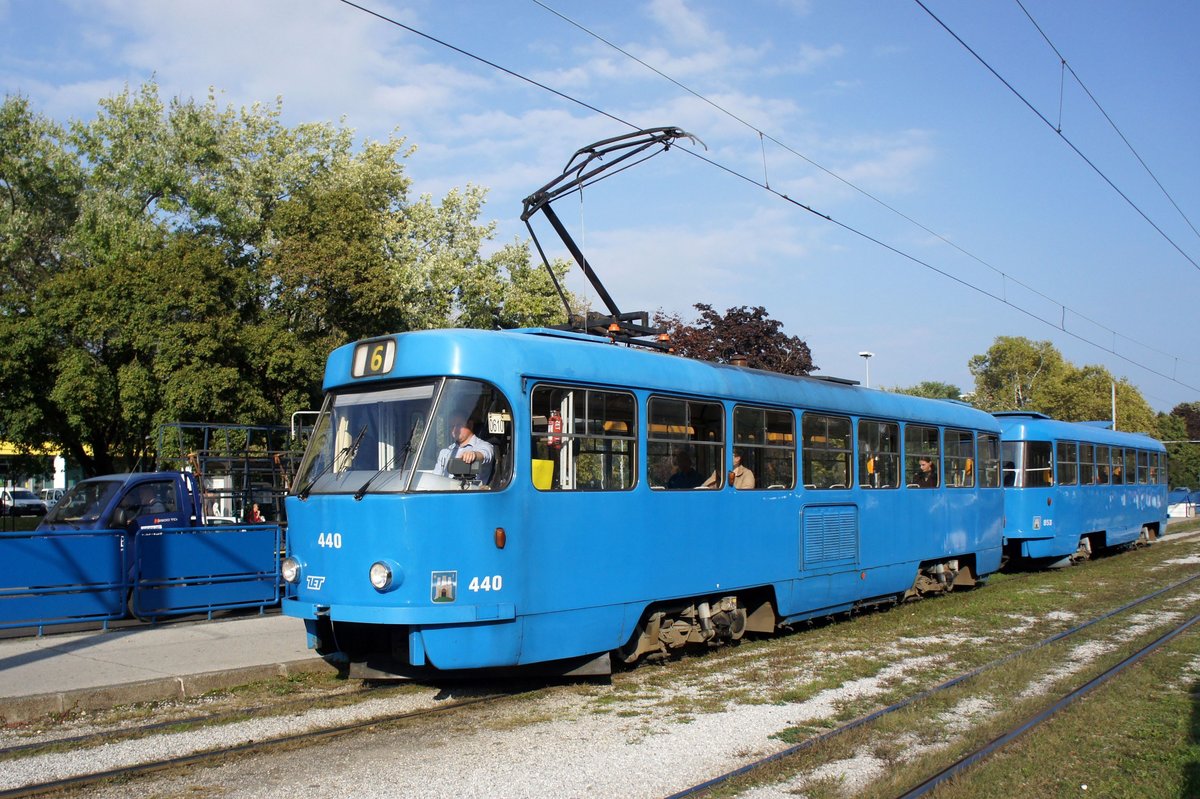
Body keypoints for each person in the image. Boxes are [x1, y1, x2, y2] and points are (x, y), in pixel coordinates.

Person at [434, 416, 495, 484]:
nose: (455, 430)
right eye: (452, 426)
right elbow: (436, 479)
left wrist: (474, 455)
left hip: (471, 493)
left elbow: (485, 454)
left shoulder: (484, 445)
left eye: (459, 425)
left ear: (470, 425)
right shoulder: (445, 452)